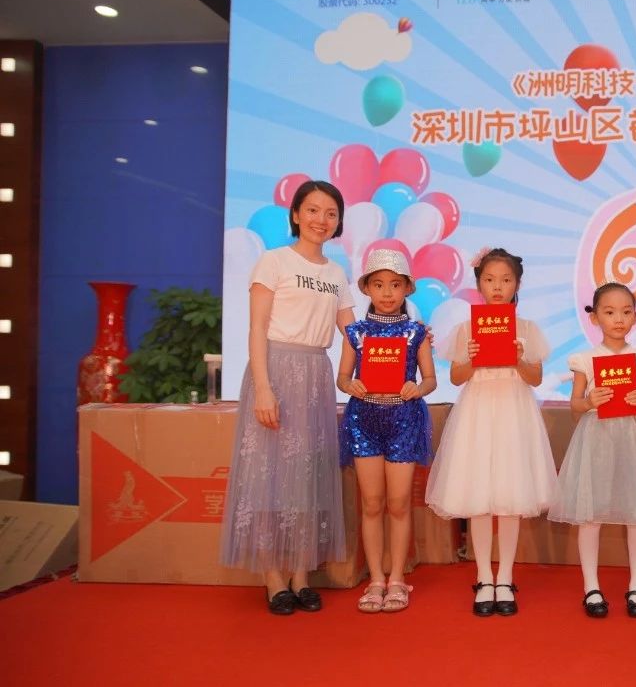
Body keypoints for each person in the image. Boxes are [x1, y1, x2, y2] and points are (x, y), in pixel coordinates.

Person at [219, 180, 355, 615]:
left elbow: (353, 334)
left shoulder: (337, 274)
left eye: (330, 213)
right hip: (275, 371)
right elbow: (257, 328)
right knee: (269, 477)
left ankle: (300, 574)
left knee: (306, 479)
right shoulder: (273, 261)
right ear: (296, 214)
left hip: (316, 376)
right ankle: (273, 578)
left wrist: (407, 338)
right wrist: (263, 387)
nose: (321, 220)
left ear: (338, 222)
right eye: (312, 210)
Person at [425, 247, 557, 617]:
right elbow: (456, 377)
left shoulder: (527, 329)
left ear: (517, 284)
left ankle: (506, 577)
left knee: (512, 497)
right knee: (479, 498)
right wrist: (470, 357)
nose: (497, 287)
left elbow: (535, 378)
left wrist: (517, 358)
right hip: (478, 412)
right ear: (479, 283)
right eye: (489, 280)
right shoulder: (466, 328)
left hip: (514, 411)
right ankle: (484, 576)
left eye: (505, 280)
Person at [548, 283, 636, 618]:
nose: (618, 319)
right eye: (609, 312)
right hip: (597, 439)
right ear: (595, 318)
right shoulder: (585, 360)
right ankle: (591, 587)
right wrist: (589, 400)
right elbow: (575, 405)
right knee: (591, 514)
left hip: (633, 439)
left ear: (635, 317)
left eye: (626, 312)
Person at [336, 249, 436, 614]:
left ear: (407, 288)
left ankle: (396, 579)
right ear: (366, 289)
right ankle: (375, 579)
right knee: (372, 503)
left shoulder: (416, 332)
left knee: (398, 503)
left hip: (404, 421)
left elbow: (430, 380)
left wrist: (417, 388)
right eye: (378, 285)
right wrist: (350, 385)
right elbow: (342, 377)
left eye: (395, 285)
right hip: (364, 421)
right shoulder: (355, 333)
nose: (387, 292)